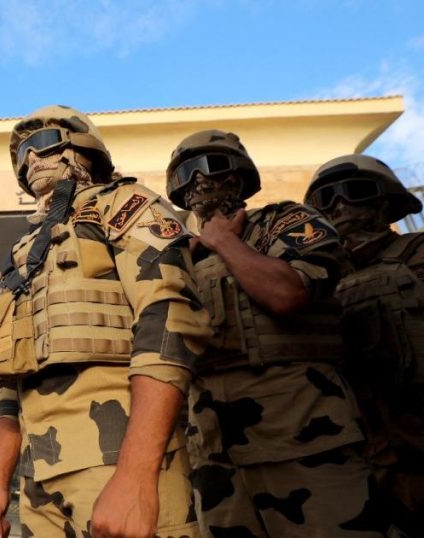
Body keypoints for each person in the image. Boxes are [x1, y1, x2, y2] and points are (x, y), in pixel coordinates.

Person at [0, 105, 211, 537]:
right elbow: (9, 383)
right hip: (39, 480)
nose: (30, 158)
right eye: (21, 153)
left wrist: (136, 476)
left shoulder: (125, 206)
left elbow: (170, 321)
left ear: (81, 147)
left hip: (116, 461)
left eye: (42, 144)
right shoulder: (23, 254)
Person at [167, 130, 384, 536]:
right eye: (185, 173)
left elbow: (287, 295)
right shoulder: (179, 256)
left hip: (305, 436)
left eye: (211, 166)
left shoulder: (284, 222)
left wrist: (225, 242)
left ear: (238, 175)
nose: (198, 180)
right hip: (214, 453)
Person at [305, 154, 424, 536]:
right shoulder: (314, 280)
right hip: (370, 453)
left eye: (355, 191)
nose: (340, 205)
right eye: (326, 199)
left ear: (386, 202)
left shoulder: (416, 252)